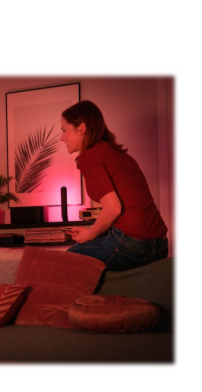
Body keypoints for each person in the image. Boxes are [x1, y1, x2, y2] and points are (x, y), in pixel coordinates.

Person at [60, 100, 168, 271]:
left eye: (64, 130)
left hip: (132, 245)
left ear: (81, 128)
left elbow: (113, 209)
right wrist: (91, 231)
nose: (62, 138)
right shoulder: (117, 153)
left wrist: (90, 234)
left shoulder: (89, 156)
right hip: (160, 244)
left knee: (68, 258)